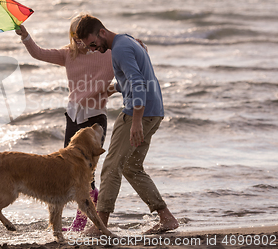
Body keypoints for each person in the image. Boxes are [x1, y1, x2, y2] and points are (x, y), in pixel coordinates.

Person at [75, 15, 179, 235]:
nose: (93, 49)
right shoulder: (127, 42)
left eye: (93, 44)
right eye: (89, 47)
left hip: (137, 114)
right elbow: (134, 80)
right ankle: (166, 218)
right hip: (154, 111)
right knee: (132, 168)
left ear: (101, 32)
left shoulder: (121, 48)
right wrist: (112, 88)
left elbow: (138, 83)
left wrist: (136, 122)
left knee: (111, 166)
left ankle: (100, 224)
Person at [15, 13, 115, 232]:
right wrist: (25, 36)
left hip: (96, 118)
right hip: (73, 116)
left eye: (84, 38)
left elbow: (129, 54)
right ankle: (58, 224)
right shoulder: (68, 54)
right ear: (73, 37)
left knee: (87, 174)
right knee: (66, 171)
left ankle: (81, 223)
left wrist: (139, 45)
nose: (81, 43)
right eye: (76, 38)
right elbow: (38, 53)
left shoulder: (108, 53)